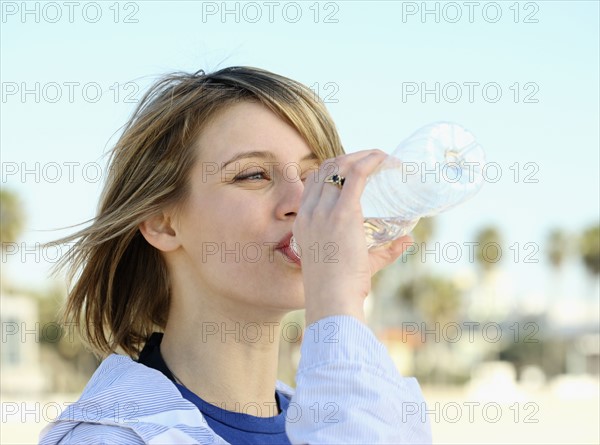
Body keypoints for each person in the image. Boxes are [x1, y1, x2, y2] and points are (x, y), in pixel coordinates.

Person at [39, 66, 432, 444]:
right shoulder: (110, 437)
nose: (302, 203)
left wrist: (345, 300)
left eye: (316, 177)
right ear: (163, 223)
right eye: (253, 175)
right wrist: (336, 303)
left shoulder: (334, 414)